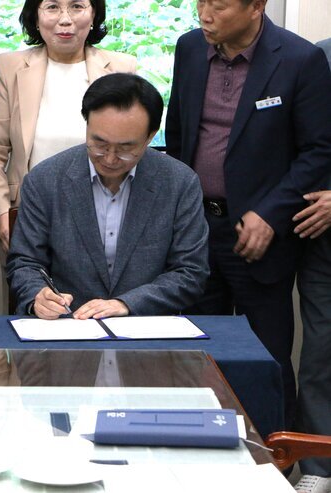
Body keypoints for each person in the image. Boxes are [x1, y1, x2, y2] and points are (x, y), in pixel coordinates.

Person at [165, 0, 331, 429]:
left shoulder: (300, 59)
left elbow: (318, 151)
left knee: (267, 359)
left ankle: (277, 454)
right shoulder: (189, 48)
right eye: (201, 2)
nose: (204, 14)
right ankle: (201, 446)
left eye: (218, 6)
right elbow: (178, 134)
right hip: (197, 230)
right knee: (198, 353)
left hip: (262, 237)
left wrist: (271, 214)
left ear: (256, 6)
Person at [7, 73, 209, 319]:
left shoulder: (179, 183)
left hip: (145, 326)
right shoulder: (45, 180)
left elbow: (190, 272)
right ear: (87, 125)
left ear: (150, 136)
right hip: (68, 325)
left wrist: (127, 304)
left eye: (125, 148)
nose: (110, 159)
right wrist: (38, 296)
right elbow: (25, 263)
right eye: (99, 144)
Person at [0, 0, 136, 262]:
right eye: (52, 7)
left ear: (94, 14)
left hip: (103, 216)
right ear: (35, 16)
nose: (65, 19)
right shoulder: (10, 67)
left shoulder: (122, 68)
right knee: (31, 286)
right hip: (27, 214)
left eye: (77, 6)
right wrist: (0, 212)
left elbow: (133, 146)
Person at [290, 37, 331, 493]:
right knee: (320, 355)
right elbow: (305, 146)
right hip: (323, 242)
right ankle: (319, 466)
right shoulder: (319, 56)